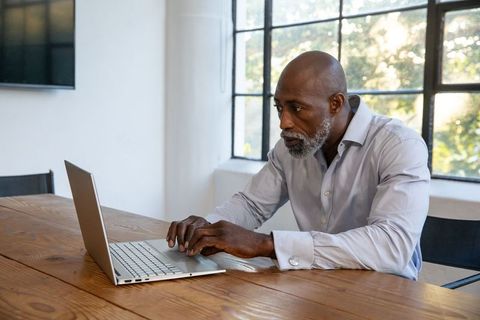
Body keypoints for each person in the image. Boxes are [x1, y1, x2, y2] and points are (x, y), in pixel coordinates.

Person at [166, 51, 430, 280]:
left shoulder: (398, 145)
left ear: (335, 103)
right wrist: (206, 230)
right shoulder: (289, 149)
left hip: (386, 292)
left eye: (297, 108)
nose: (284, 122)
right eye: (280, 107)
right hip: (315, 283)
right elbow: (251, 205)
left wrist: (267, 244)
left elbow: (391, 246)